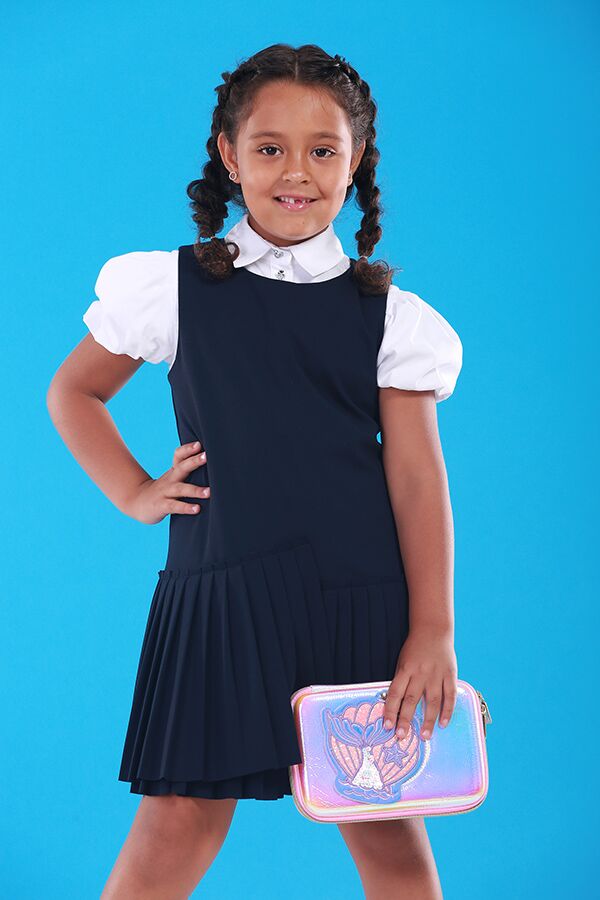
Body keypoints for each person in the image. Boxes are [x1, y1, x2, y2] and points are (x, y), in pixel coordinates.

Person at [47, 43, 464, 900]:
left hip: (358, 598)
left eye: (323, 149)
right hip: (219, 593)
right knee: (178, 819)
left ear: (356, 161)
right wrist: (133, 490)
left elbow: (417, 478)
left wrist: (433, 630)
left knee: (385, 825)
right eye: (270, 147)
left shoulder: (390, 315)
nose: (296, 172)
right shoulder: (171, 288)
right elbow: (73, 392)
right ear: (230, 156)